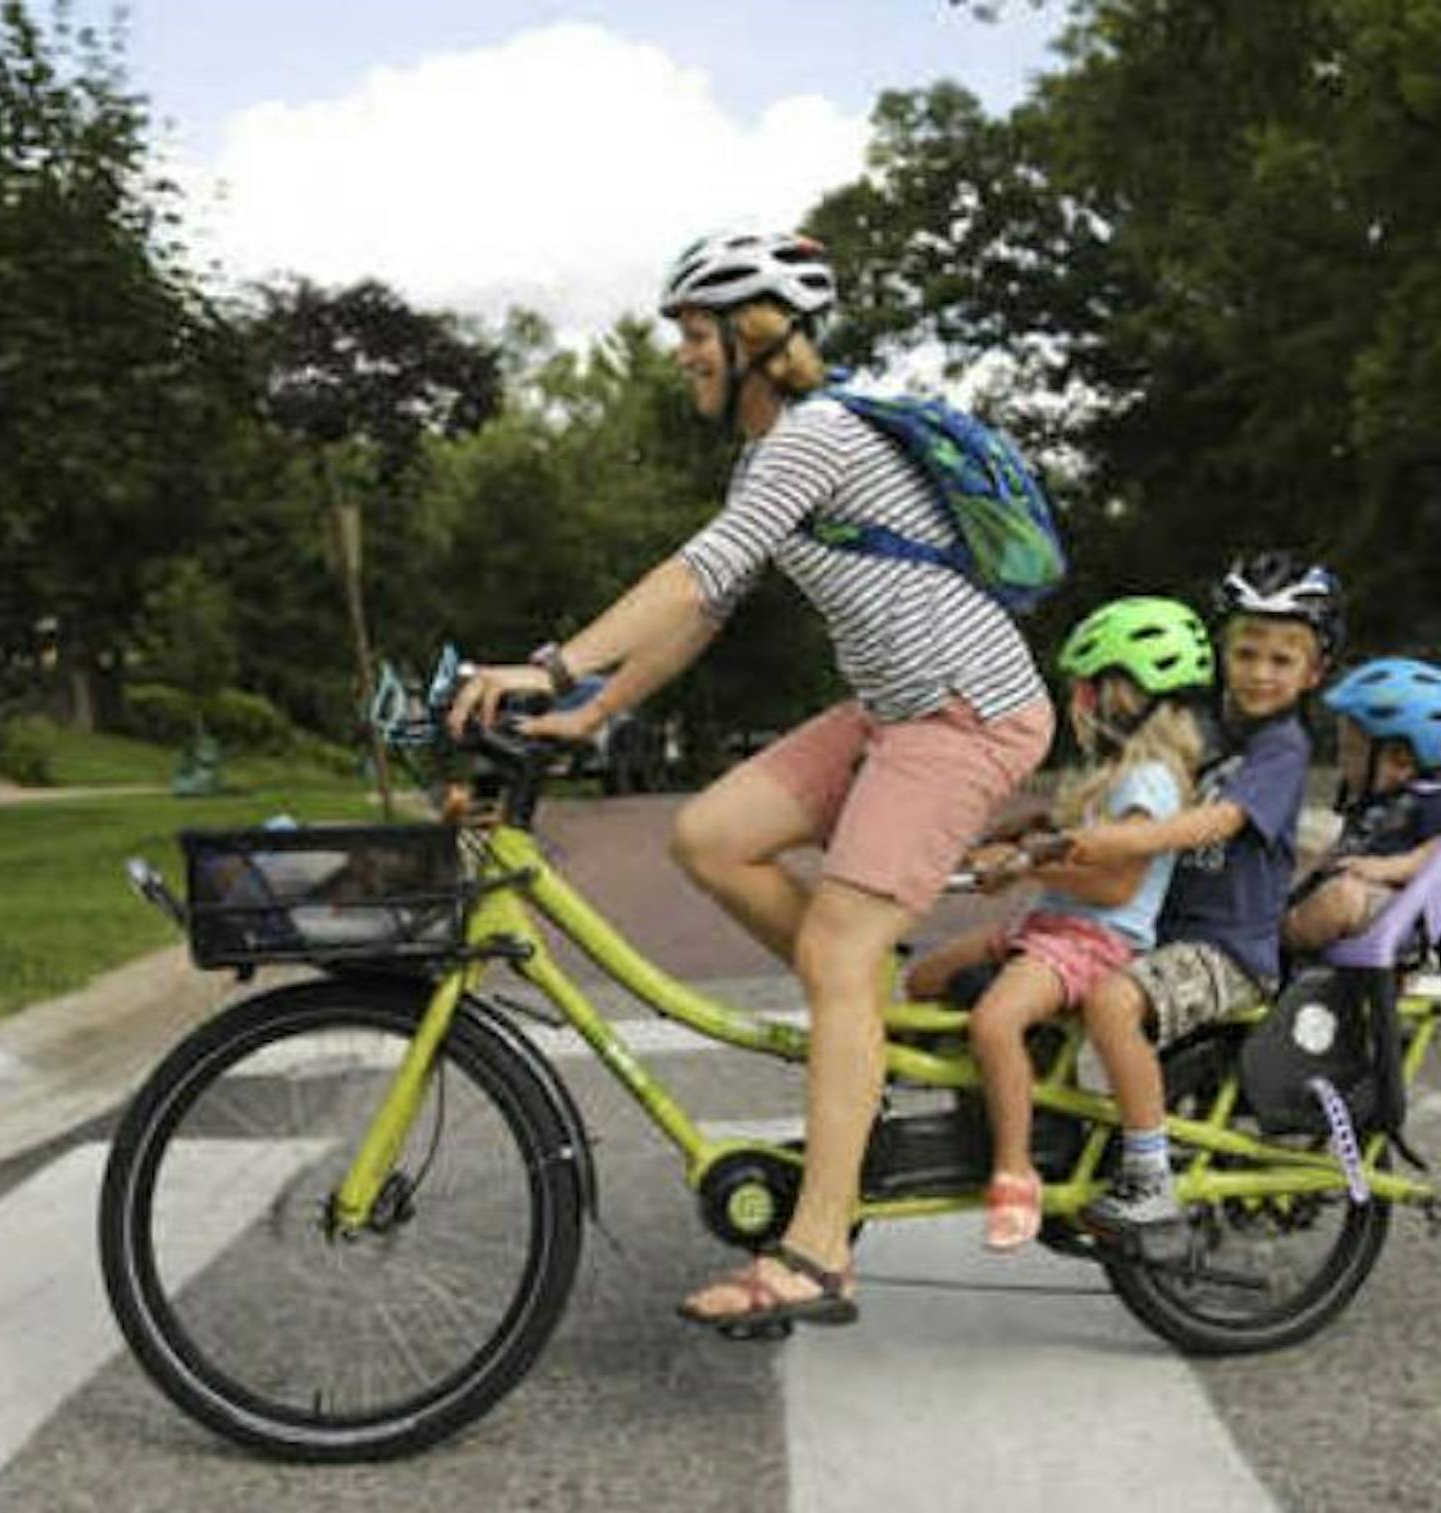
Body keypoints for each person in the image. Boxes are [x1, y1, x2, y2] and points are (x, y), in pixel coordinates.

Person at [447, 230, 1054, 1332]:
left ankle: (821, 1250)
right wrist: (591, 710)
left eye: (693, 333)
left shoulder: (816, 433)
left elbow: (698, 572)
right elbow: (708, 608)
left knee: (833, 943)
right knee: (714, 834)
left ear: (756, 336)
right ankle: (865, 1012)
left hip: (966, 711)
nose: (682, 355)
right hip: (887, 710)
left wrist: (551, 664)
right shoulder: (773, 456)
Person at [905, 597, 1213, 1252]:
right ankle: (1007, 1091)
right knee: (924, 978)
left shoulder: (1151, 782)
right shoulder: (1108, 775)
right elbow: (1059, 833)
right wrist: (1000, 838)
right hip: (1051, 926)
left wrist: (1019, 867)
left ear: (1132, 694)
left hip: (1097, 941)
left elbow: (1114, 882)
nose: (1079, 699)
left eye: (1090, 685)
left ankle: (1015, 1170)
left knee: (994, 1020)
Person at [1060, 551, 1342, 1249]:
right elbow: (1130, 782)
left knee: (1112, 1002)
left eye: (1282, 659)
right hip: (1162, 931)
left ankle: (1151, 1180)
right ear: (1222, 652)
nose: (1260, 672)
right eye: (1247, 652)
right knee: (1041, 971)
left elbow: (1220, 821)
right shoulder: (1203, 731)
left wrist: (1132, 842)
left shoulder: (1281, 746)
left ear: (1313, 674)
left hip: (1230, 949)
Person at [1282, 657, 1441, 956]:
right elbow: (1350, 843)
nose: (1341, 760)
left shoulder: (1429, 800)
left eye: (1351, 750)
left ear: (1401, 761)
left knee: (1340, 898)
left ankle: (1274, 948)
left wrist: (1385, 869)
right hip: (1366, 891)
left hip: (1400, 904)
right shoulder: (1376, 798)